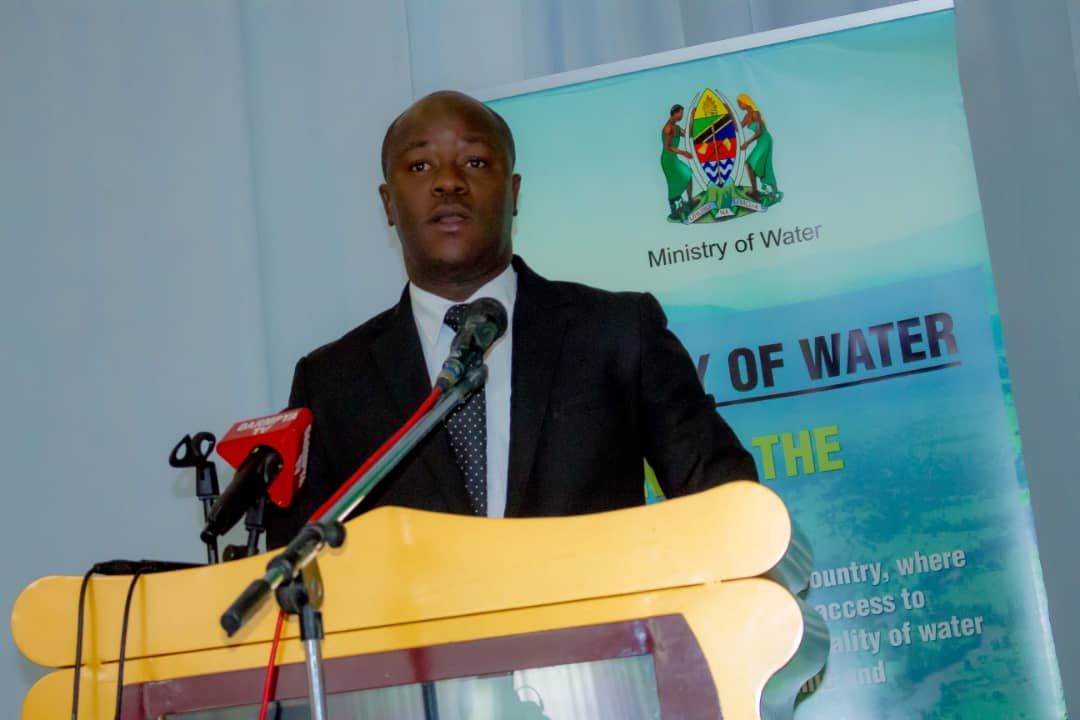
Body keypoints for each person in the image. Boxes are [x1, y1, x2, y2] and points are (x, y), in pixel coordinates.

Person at [264, 91, 756, 548]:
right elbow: (296, 573)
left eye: (475, 162)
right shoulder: (333, 383)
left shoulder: (618, 334)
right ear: (389, 203)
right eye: (420, 165)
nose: (448, 181)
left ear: (514, 192)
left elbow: (728, 508)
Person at [737, 94, 777, 201]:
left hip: (765, 139)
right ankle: (756, 191)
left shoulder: (755, 113)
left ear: (745, 102)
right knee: (754, 165)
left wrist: (747, 143)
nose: (739, 105)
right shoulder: (746, 117)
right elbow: (737, 128)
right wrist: (729, 114)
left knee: (752, 164)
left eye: (739, 103)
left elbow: (759, 131)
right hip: (761, 141)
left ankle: (758, 192)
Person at [661, 104, 696, 220]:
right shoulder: (668, 128)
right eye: (680, 113)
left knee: (688, 174)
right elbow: (668, 147)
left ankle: (690, 200)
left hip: (673, 158)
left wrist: (692, 118)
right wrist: (683, 153)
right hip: (668, 160)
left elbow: (689, 134)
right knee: (673, 183)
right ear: (675, 113)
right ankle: (674, 210)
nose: (681, 116)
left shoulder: (676, 128)